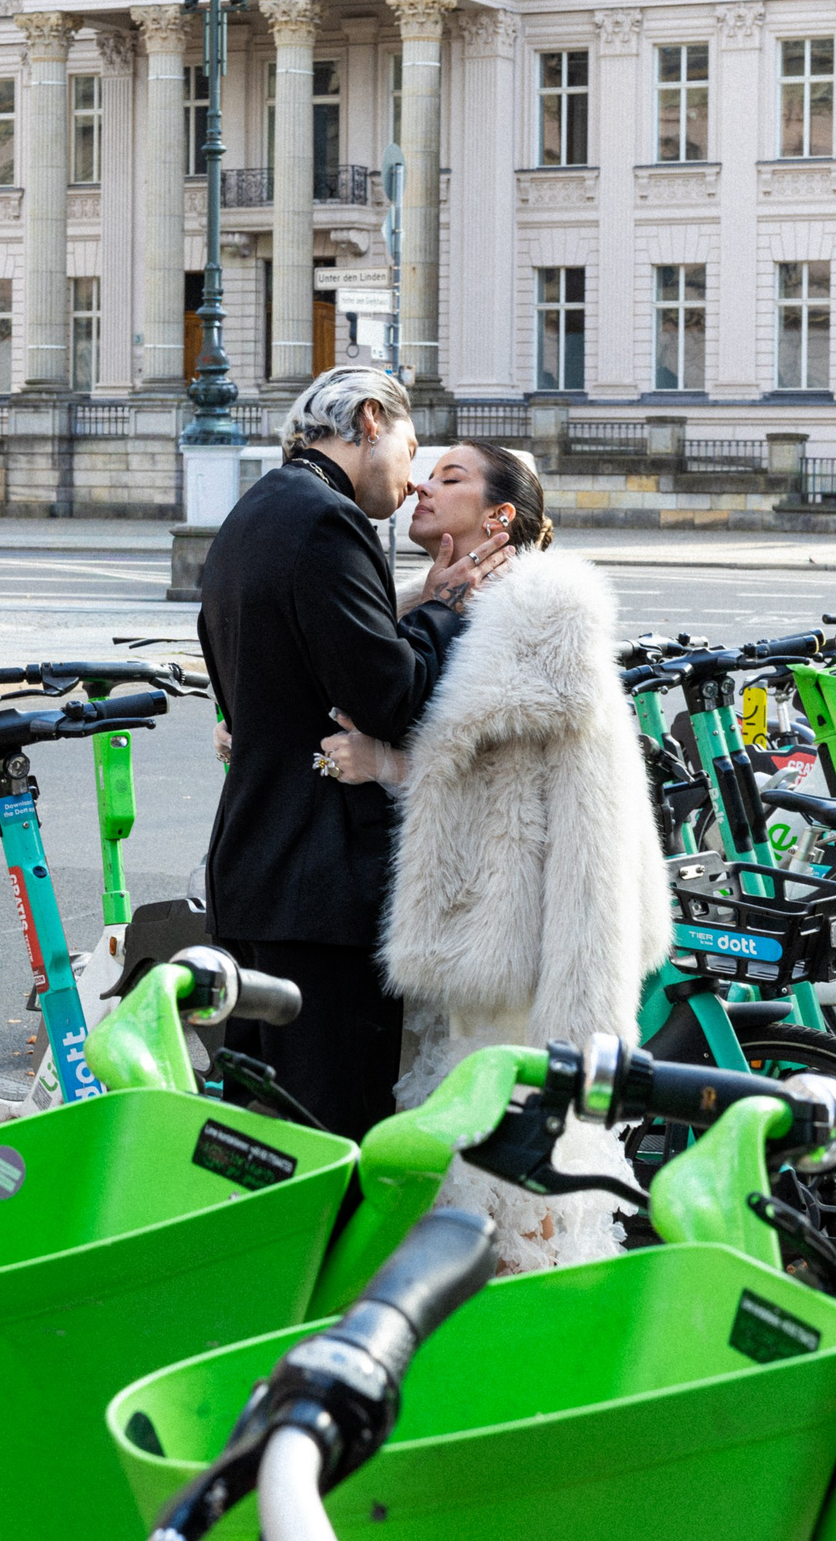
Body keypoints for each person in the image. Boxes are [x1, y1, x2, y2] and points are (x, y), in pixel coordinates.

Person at [318, 441, 672, 1270]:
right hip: (463, 943)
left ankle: (522, 1317)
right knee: (454, 1167)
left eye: (451, 478)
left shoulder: (538, 613)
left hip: (517, 950)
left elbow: (530, 792)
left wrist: (385, 764)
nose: (421, 486)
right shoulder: (442, 607)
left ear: (500, 515)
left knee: (504, 1175)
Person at [196, 368, 513, 1137]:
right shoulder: (327, 522)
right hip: (319, 891)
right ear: (371, 420)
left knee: (255, 1140)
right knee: (332, 1139)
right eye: (411, 448)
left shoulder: (251, 513)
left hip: (253, 870)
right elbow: (392, 701)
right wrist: (441, 610)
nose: (411, 481)